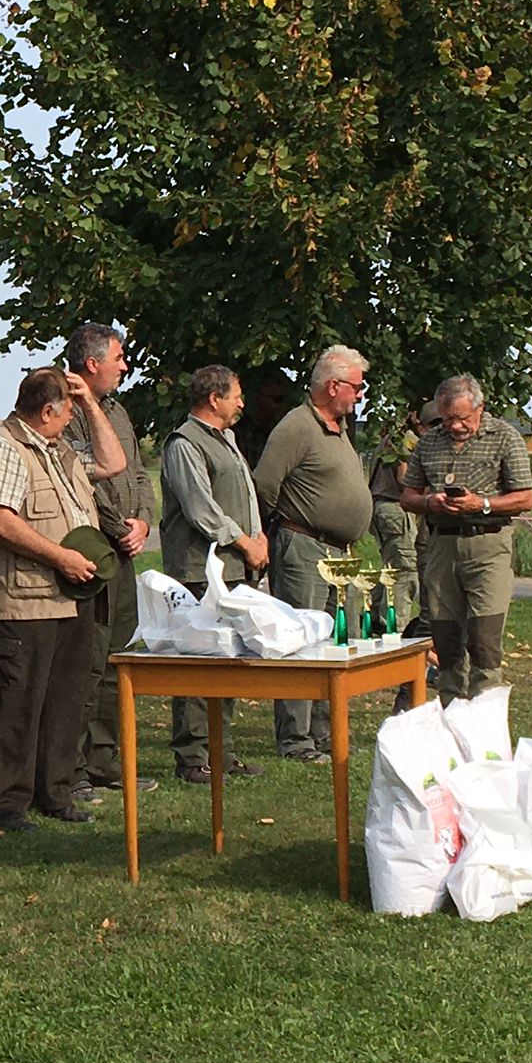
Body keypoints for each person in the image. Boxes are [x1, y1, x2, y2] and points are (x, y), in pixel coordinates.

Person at [0, 366, 125, 832]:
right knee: (17, 705)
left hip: (66, 598)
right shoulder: (5, 449)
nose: (73, 418)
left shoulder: (59, 451)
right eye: (69, 410)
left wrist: (92, 404)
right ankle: (6, 805)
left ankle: (53, 792)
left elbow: (112, 463)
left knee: (64, 701)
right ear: (48, 411)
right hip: (21, 604)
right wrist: (61, 558)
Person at [253, 345, 375, 764]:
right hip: (304, 546)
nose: (360, 395)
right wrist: (271, 536)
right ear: (333, 385)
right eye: (357, 387)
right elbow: (265, 485)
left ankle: (326, 730)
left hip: (338, 551)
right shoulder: (296, 427)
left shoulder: (338, 428)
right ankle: (295, 738)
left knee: (336, 641)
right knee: (300, 640)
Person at [158, 365, 268, 785]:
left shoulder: (227, 440)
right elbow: (201, 509)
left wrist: (258, 539)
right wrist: (244, 541)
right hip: (198, 570)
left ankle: (222, 751)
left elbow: (245, 496)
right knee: (197, 660)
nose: (242, 403)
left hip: (233, 567)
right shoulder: (185, 443)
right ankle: (192, 755)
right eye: (236, 395)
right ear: (213, 399)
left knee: (228, 660)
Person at [63, 323, 158, 798]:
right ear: (92, 363)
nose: (125, 366)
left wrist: (143, 520)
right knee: (88, 660)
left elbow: (137, 473)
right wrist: (119, 530)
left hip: (125, 554)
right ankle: (74, 767)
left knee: (119, 655)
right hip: (94, 553)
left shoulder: (118, 410)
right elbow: (84, 478)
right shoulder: (66, 408)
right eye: (119, 358)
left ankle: (105, 761)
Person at [399, 375, 532, 702]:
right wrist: (431, 502)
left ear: (480, 408)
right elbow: (407, 496)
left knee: (484, 641)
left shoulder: (505, 437)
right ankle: (450, 717)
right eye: (448, 419)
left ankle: (484, 722)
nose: (456, 426)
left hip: (488, 545)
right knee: (446, 640)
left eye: (462, 418)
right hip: (442, 546)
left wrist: (482, 504)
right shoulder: (429, 443)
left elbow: (525, 498)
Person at [364, 404, 424, 627]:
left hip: (381, 508)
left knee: (390, 568)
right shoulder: (406, 440)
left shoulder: (389, 438)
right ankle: (394, 628)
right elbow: (404, 478)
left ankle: (372, 622)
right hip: (396, 509)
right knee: (405, 571)